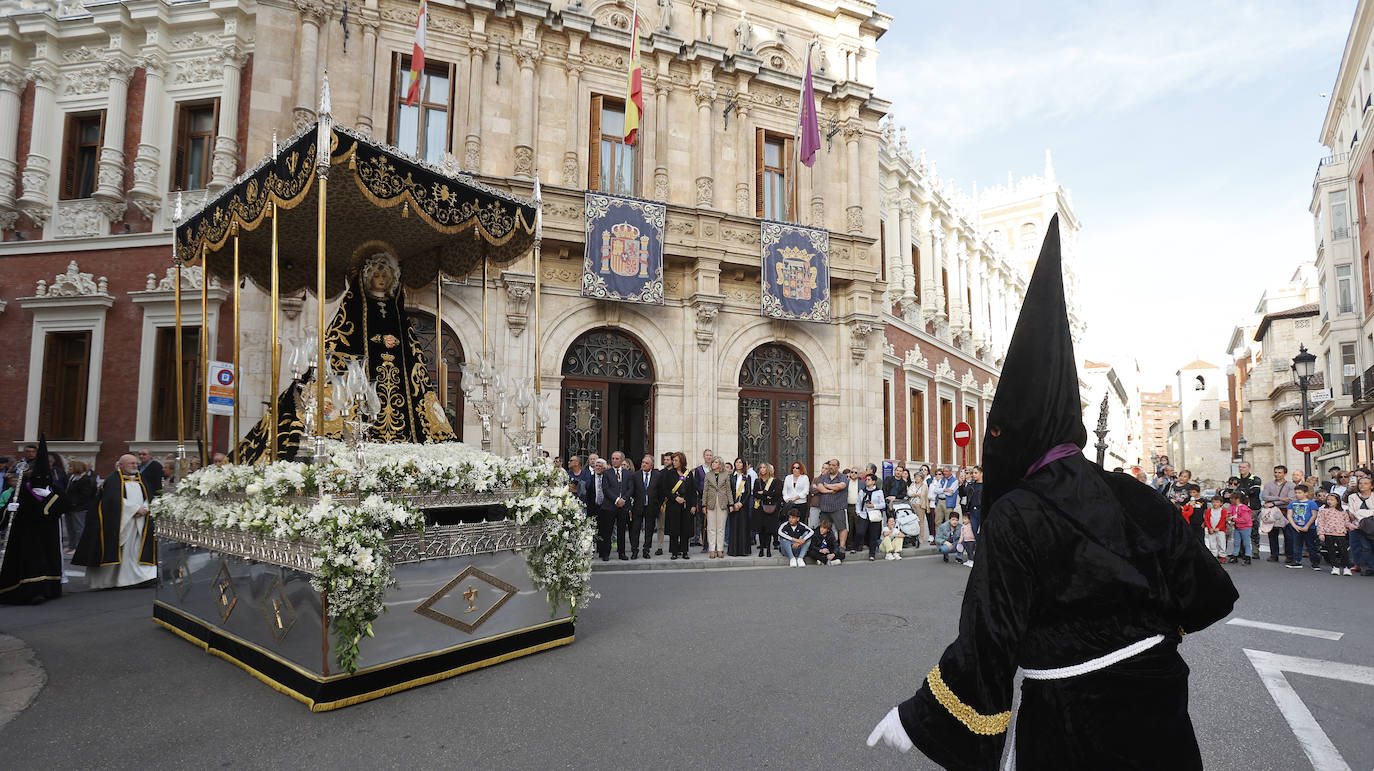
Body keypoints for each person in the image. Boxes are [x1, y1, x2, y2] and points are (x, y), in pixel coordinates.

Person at [867, 215, 1236, 768]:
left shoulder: (1016, 513)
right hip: (1160, 701)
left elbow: (989, 641)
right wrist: (1142, 637)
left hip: (1072, 718)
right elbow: (1209, 593)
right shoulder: (1134, 494)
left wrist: (916, 718)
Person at [73, 452, 158, 589]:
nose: (135, 465)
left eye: (136, 463)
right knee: (119, 551)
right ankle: (112, 581)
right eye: (131, 463)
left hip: (140, 521)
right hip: (120, 522)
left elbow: (149, 495)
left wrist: (145, 508)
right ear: (121, 465)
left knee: (135, 550)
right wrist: (134, 509)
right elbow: (112, 500)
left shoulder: (141, 478)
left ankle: (139, 578)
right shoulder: (113, 480)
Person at [0, 436, 64, 604]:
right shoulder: (23, 490)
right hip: (27, 534)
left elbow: (64, 505)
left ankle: (49, 589)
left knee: (47, 560)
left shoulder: (53, 490)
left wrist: (50, 499)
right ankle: (32, 592)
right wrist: (9, 509)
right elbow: (8, 512)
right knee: (31, 562)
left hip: (48, 533)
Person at [598, 451, 635, 562]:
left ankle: (622, 552)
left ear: (622, 460)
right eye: (613, 458)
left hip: (623, 506)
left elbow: (631, 488)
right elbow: (606, 488)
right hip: (610, 506)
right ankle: (606, 553)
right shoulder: (607, 473)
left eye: (617, 458)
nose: (614, 460)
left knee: (622, 530)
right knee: (607, 530)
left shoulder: (628, 474)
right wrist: (616, 499)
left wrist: (623, 499)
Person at [659, 452, 696, 560]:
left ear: (681, 461)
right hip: (673, 505)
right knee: (674, 529)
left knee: (685, 529)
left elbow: (693, 491)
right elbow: (664, 490)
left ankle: (684, 551)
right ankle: (674, 552)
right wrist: (675, 497)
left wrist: (693, 505)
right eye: (673, 460)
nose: (673, 462)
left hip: (686, 505)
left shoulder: (688, 474)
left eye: (675, 460)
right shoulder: (669, 474)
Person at [1316, 492, 1356, 576]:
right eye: (1328, 500)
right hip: (1328, 533)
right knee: (1331, 551)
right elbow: (1320, 523)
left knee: (1343, 551)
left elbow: (1346, 522)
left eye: (1332, 500)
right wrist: (1321, 533)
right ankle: (1335, 566)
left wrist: (1351, 526)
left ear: (1337, 501)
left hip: (1340, 533)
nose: (1329, 501)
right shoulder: (1324, 511)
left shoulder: (1343, 511)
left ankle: (1346, 567)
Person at [61, 460, 96, 555]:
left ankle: (79, 547)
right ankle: (71, 546)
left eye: (71, 467)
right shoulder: (72, 478)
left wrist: (74, 503)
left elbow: (85, 495)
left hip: (79, 508)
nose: (69, 469)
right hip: (69, 508)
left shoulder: (85, 479)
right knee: (70, 528)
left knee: (79, 528)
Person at [1261, 465, 1295, 562]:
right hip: (1271, 512)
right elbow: (1265, 497)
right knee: (1272, 533)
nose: (1277, 474)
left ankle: (1289, 556)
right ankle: (1274, 554)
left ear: (1285, 474)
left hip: (1285, 511)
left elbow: (1290, 499)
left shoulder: (1291, 485)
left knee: (1288, 535)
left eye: (1280, 472)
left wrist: (1274, 502)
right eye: (1275, 472)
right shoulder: (1268, 484)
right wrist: (1280, 498)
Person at [630, 455, 659, 560]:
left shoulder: (657, 475)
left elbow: (660, 492)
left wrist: (657, 505)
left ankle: (646, 550)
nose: (643, 464)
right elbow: (632, 491)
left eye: (646, 463)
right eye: (643, 462)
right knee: (635, 529)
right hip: (638, 506)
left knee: (649, 530)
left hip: (651, 507)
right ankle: (634, 550)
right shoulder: (635, 475)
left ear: (651, 465)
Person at [1286, 484, 1321, 570]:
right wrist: (1294, 526)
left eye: (1299, 492)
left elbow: (1314, 516)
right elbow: (1289, 515)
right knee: (1297, 545)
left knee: (1311, 545)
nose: (1297, 494)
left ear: (1306, 493)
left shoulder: (1311, 503)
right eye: (1296, 492)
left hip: (1309, 528)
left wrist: (1307, 526)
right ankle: (1297, 561)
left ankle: (1315, 562)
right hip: (1296, 527)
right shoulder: (1292, 503)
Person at [814, 459, 847, 546]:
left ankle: (842, 547)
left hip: (838, 507)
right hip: (825, 508)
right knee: (824, 528)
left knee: (842, 528)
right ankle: (825, 546)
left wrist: (828, 486)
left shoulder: (842, 476)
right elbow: (819, 487)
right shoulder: (824, 476)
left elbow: (841, 486)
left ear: (838, 467)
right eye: (830, 465)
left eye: (833, 465)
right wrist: (828, 491)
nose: (830, 467)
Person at [702, 457, 730, 559]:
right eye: (713, 462)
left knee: (721, 528)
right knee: (711, 528)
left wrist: (730, 504)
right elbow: (705, 491)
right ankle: (712, 550)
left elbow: (728, 490)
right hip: (711, 503)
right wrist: (703, 505)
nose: (713, 463)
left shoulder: (725, 475)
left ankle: (720, 549)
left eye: (716, 462)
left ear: (720, 464)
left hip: (722, 503)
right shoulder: (708, 475)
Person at [1347, 474, 1374, 576]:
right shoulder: (1352, 497)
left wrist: (1361, 513)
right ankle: (1371, 568)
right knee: (1365, 547)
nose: (1362, 485)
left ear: (1371, 486)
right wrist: (1365, 515)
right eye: (1360, 483)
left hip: (1372, 526)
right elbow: (1352, 513)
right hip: (1358, 526)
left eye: (1366, 484)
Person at [752, 463, 781, 557]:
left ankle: (768, 549)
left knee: (769, 530)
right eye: (760, 467)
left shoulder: (774, 481)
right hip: (759, 508)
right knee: (761, 529)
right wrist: (767, 495)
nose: (762, 469)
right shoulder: (757, 481)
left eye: (764, 467)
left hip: (770, 508)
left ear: (768, 469)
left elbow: (776, 494)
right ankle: (761, 549)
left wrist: (764, 492)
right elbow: (755, 494)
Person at [1236, 461, 1265, 556]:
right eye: (1240, 467)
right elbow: (1230, 490)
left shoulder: (1255, 479)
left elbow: (1255, 491)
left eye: (1244, 467)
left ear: (1249, 468)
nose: (1241, 469)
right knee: (1239, 528)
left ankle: (1255, 551)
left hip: (1253, 508)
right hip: (1239, 508)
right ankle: (1241, 551)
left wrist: (1242, 491)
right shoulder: (1236, 479)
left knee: (1253, 529)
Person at [727, 457, 753, 557]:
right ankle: (733, 550)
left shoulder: (747, 476)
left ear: (743, 465)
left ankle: (743, 550)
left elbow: (747, 492)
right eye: (737, 462)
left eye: (740, 462)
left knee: (743, 527)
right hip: (733, 503)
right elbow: (729, 492)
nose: (738, 464)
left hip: (743, 505)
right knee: (734, 527)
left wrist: (741, 503)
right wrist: (732, 504)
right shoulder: (731, 477)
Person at [781, 461, 810, 549]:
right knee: (789, 523)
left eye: (797, 468)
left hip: (801, 504)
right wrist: (787, 499)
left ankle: (800, 543)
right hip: (790, 504)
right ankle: (788, 544)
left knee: (800, 524)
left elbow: (806, 491)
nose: (795, 469)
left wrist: (795, 498)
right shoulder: (788, 478)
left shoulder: (804, 478)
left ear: (801, 469)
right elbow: (784, 491)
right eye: (793, 467)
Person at [691, 449, 715, 551]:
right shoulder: (698, 470)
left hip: (714, 498)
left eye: (710, 455)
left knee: (713, 522)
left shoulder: (715, 468)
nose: (709, 457)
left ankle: (713, 544)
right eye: (707, 455)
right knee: (703, 522)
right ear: (704, 456)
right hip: (702, 499)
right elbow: (696, 484)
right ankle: (705, 545)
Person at [857, 473, 885, 561]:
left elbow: (883, 504)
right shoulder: (862, 491)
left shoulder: (879, 491)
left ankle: (872, 554)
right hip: (864, 515)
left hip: (874, 515)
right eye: (866, 479)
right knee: (860, 532)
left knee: (873, 535)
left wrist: (874, 506)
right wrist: (858, 512)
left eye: (869, 480)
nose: (866, 481)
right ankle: (857, 546)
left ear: (873, 482)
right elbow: (858, 502)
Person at [654, 452, 673, 556]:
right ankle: (660, 547)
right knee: (660, 526)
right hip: (662, 504)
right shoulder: (660, 473)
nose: (666, 461)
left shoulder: (677, 473)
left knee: (673, 527)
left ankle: (673, 546)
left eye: (668, 460)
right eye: (664, 460)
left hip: (674, 503)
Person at [1227, 492, 1253, 565]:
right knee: (1236, 542)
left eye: (1232, 498)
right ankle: (1235, 556)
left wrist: (1233, 519)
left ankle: (1248, 556)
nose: (1230, 500)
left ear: (1237, 499)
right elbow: (1231, 514)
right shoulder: (1233, 506)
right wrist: (1229, 516)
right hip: (1237, 527)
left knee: (1246, 543)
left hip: (1245, 528)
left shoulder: (1244, 508)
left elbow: (1245, 519)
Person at [931, 465, 958, 531]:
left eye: (946, 471)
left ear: (950, 472)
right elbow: (935, 490)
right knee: (937, 521)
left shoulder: (955, 481)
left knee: (948, 522)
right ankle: (938, 538)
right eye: (944, 471)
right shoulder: (941, 480)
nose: (944, 473)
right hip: (939, 502)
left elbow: (950, 493)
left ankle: (947, 539)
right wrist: (945, 490)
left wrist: (941, 489)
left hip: (948, 503)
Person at [960, 465, 984, 538]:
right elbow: (963, 494)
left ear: (981, 473)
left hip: (982, 511)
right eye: (973, 473)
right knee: (974, 530)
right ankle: (977, 547)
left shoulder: (985, 485)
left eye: (976, 473)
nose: (973, 474)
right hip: (972, 511)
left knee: (983, 531)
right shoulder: (972, 485)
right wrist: (961, 484)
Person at [1203, 494, 1228, 562]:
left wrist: (1218, 528)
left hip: (1220, 530)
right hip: (1211, 530)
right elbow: (1207, 520)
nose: (1215, 504)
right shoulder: (1209, 511)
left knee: (1221, 543)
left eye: (1217, 502)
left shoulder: (1223, 511)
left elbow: (1223, 520)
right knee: (1212, 543)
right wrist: (1210, 528)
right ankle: (1214, 555)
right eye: (1213, 502)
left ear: (1221, 503)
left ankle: (1222, 556)